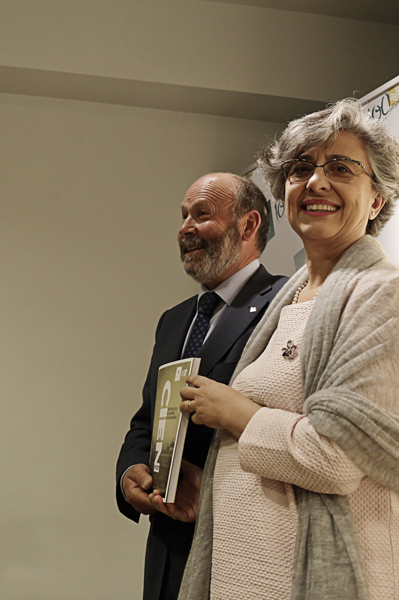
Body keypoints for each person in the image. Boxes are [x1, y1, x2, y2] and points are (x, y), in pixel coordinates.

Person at [175, 99, 399, 600]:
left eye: (339, 167)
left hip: (344, 576)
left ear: (376, 199)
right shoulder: (287, 298)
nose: (316, 182)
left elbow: (332, 458)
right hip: (253, 574)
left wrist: (235, 412)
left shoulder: (380, 291)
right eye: (300, 169)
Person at [116, 172, 287, 600]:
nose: (186, 228)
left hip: (237, 545)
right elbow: (147, 421)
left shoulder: (285, 306)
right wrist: (130, 474)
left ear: (248, 225)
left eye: (202, 214)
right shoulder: (174, 320)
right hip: (166, 548)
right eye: (184, 216)